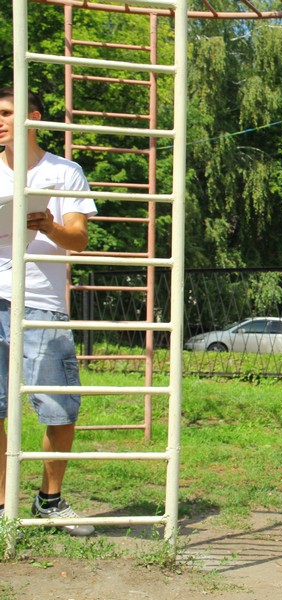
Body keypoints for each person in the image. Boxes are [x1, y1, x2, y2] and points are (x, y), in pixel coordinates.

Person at [0, 88, 97, 536]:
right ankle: (3, 507)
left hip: (42, 301)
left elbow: (79, 240)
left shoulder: (64, 171)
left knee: (60, 407)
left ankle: (49, 500)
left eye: (6, 113)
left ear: (32, 117)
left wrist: (49, 226)